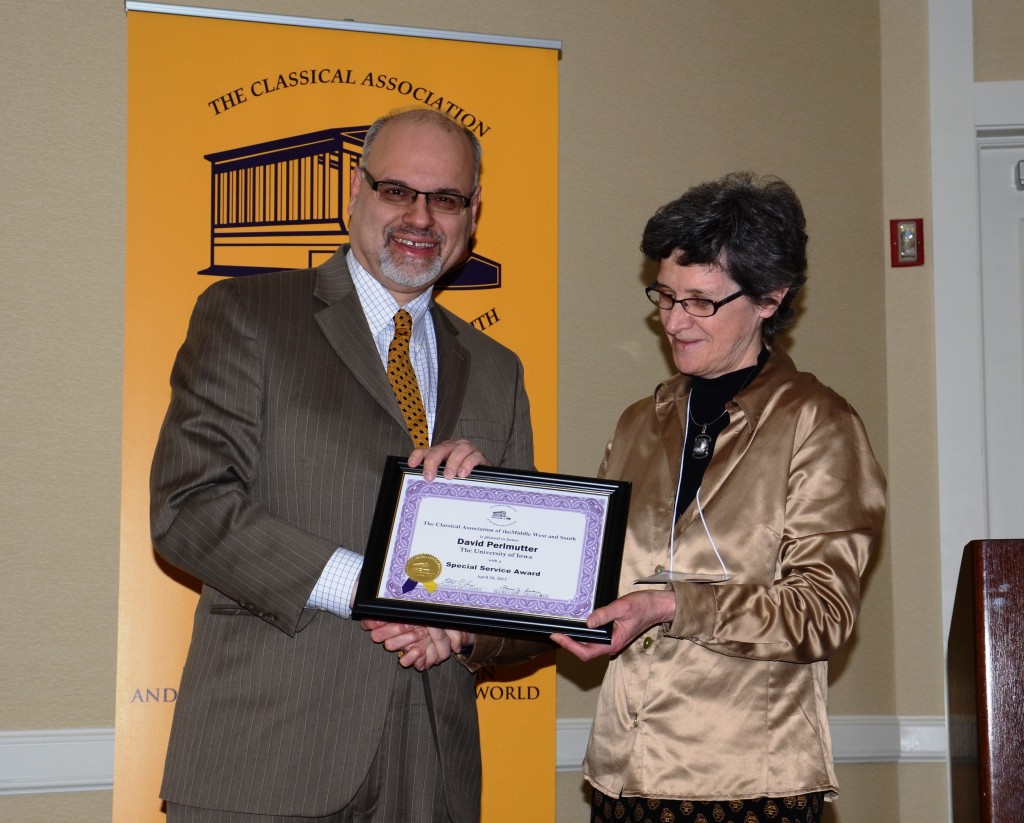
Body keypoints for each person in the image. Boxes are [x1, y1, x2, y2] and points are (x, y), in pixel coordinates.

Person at [150, 107, 545, 823]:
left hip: (432, 769)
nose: (420, 216)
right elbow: (189, 506)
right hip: (269, 756)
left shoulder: (497, 371)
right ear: (354, 194)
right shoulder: (248, 313)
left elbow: (527, 600)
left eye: (446, 198)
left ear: (472, 214)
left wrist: (457, 627)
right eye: (398, 190)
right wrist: (368, 587)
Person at [551, 172, 886, 823]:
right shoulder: (635, 424)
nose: (674, 321)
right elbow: (588, 582)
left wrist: (672, 604)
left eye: (701, 302)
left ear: (770, 297)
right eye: (665, 296)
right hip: (622, 781)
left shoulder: (819, 423)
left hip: (748, 789)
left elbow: (821, 613)